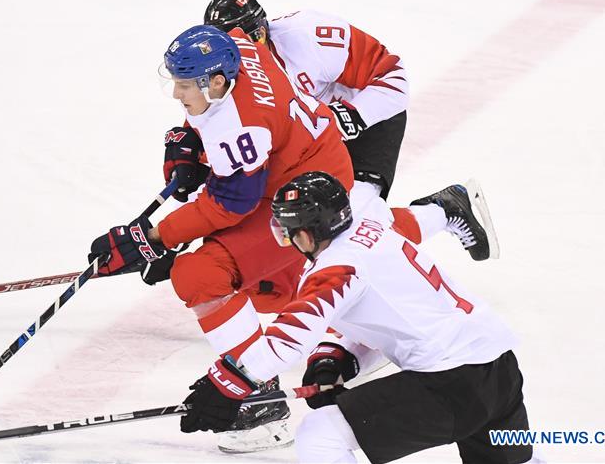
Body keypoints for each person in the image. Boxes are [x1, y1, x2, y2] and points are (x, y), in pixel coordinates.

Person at [89, 23, 353, 451]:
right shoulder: (236, 46)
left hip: (297, 192)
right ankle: (437, 216)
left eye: (184, 84)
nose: (177, 93)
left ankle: (259, 399)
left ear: (216, 81)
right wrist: (188, 142)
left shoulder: (240, 128)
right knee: (267, 290)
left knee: (200, 274)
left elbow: (231, 204)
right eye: (173, 80)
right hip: (293, 164)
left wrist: (154, 237)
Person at [179, 171, 536, 464]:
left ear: (304, 234)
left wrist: (230, 380)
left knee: (320, 435)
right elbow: (392, 316)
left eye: (285, 231)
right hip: (499, 371)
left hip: (450, 385)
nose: (284, 239)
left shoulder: (338, 267)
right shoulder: (375, 229)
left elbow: (292, 335)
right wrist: (336, 361)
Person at [203, 0, 499, 261]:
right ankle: (444, 209)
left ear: (264, 29)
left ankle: (442, 212)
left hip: (366, 122)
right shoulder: (218, 76)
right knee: (301, 230)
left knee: (348, 227)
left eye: (253, 37)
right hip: (310, 144)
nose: (247, 53)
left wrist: (348, 117)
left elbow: (393, 78)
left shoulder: (308, 35)